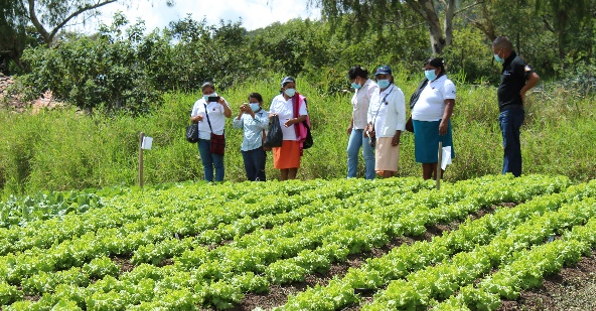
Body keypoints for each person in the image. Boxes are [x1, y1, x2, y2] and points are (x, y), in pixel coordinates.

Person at [492, 36, 540, 177]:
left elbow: (534, 77)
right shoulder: (508, 64)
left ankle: (509, 177)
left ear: (502, 50)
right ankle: (513, 176)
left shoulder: (517, 62)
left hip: (512, 110)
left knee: (510, 146)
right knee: (510, 145)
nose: (495, 56)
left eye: (495, 52)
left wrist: (523, 91)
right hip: (507, 111)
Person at [411, 57, 456, 180]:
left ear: (439, 69)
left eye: (430, 69)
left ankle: (438, 182)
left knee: (441, 155)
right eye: (425, 69)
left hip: (437, 125)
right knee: (425, 157)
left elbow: (449, 104)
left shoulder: (446, 83)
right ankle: (426, 183)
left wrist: (444, 121)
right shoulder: (427, 83)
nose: (427, 71)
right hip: (422, 127)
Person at [365, 65, 406, 178]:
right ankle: (386, 187)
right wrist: (370, 126)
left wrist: (397, 134)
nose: (382, 79)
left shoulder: (397, 93)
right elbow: (370, 112)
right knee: (381, 166)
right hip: (377, 134)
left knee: (388, 165)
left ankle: (387, 189)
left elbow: (401, 116)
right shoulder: (375, 93)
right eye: (379, 77)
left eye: (385, 76)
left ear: (390, 78)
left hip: (389, 133)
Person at [268, 76, 309, 181]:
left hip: (294, 136)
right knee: (283, 164)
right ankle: (283, 184)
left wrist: (292, 121)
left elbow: (304, 116)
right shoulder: (277, 100)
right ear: (283, 88)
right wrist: (272, 116)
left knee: (293, 163)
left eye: (293, 87)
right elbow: (269, 114)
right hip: (280, 137)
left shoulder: (299, 100)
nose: (292, 89)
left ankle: (291, 184)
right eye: (289, 87)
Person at [190, 82, 232, 182]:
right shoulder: (199, 103)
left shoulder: (220, 101)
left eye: (210, 92)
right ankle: (208, 185)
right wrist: (196, 118)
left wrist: (223, 104)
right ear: (202, 93)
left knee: (218, 163)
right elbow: (192, 118)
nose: (208, 94)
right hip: (202, 137)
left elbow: (228, 114)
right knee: (206, 164)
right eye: (206, 92)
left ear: (214, 91)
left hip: (217, 136)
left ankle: (219, 184)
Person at [347, 65, 378, 179]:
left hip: (368, 127)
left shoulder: (372, 87)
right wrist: (351, 124)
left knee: (367, 154)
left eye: (352, 80)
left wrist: (371, 126)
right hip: (357, 126)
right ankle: (350, 178)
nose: (352, 83)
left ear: (358, 78)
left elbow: (374, 108)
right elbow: (355, 107)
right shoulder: (358, 88)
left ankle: (370, 179)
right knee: (351, 151)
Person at [232, 93, 269, 181]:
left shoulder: (264, 114)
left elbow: (264, 125)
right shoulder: (245, 115)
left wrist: (252, 114)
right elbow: (236, 125)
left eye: (254, 102)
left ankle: (262, 191)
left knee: (259, 173)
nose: (252, 104)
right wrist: (241, 112)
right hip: (246, 147)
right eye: (250, 102)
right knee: (250, 173)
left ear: (260, 103)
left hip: (258, 146)